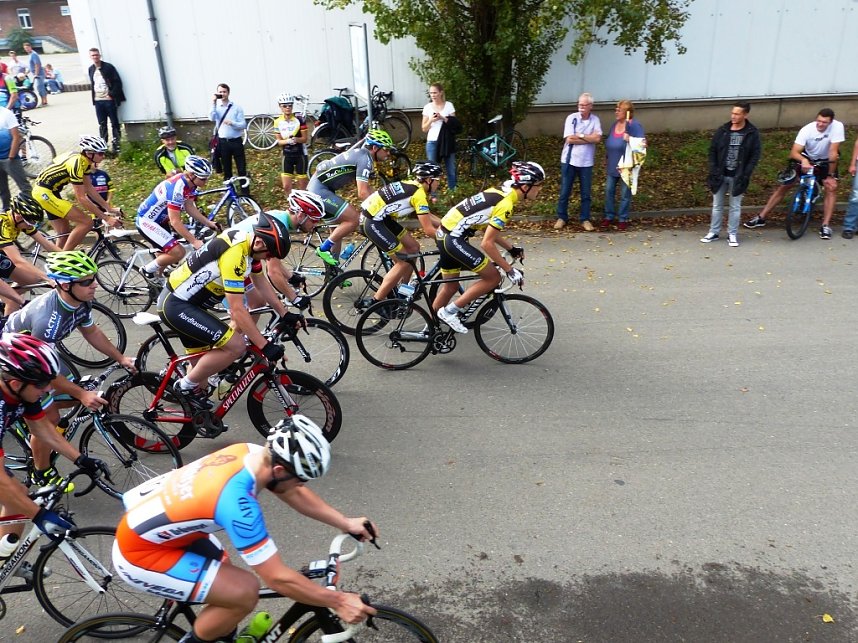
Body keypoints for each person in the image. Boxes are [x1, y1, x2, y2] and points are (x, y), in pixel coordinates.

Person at [112, 415, 376, 643]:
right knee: (243, 592)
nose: (301, 484)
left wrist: (344, 522)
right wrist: (339, 601)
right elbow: (277, 578)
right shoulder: (238, 505)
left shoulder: (250, 452)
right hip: (141, 553)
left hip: (163, 531)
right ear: (281, 469)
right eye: (301, 478)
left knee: (227, 585)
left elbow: (293, 492)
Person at [4, 251, 136, 486]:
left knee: (77, 393)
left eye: (93, 277)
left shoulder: (81, 301)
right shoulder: (48, 320)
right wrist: (81, 394)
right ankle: (41, 471)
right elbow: (44, 373)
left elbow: (92, 332)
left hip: (41, 356)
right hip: (21, 364)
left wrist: (120, 358)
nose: (95, 284)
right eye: (87, 281)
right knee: (50, 417)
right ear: (65, 284)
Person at [0, 333, 109, 579]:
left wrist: (80, 459)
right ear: (16, 383)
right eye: (42, 384)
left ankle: (4, 559)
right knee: (14, 494)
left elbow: (42, 430)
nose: (49, 389)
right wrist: (40, 516)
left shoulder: (20, 390)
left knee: (17, 496)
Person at [159, 211, 293, 411]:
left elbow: (261, 282)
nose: (269, 259)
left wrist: (285, 313)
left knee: (202, 383)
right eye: (270, 254)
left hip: (191, 306)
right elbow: (238, 310)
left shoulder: (249, 245)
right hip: (177, 305)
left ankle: (187, 415)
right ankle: (182, 387)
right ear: (260, 244)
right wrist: (264, 346)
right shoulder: (235, 254)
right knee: (236, 346)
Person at [434, 161, 544, 334]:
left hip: (445, 235)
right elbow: (487, 243)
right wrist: (509, 270)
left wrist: (510, 249)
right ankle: (449, 312)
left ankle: (431, 328)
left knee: (450, 287)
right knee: (492, 277)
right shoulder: (506, 204)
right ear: (525, 186)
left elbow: (486, 225)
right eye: (538, 185)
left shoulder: (500, 191)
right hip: (454, 239)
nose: (540, 189)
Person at [744, 108, 844, 239]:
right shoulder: (807, 130)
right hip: (807, 157)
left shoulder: (837, 127)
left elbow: (833, 152)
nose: (820, 124)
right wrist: (804, 160)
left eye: (824, 122)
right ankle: (761, 217)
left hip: (826, 160)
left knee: (831, 187)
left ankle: (825, 225)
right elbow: (794, 152)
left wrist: (830, 175)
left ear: (830, 123)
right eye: (818, 121)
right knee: (786, 184)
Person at [357, 161, 442, 309]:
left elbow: (424, 214)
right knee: (403, 261)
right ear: (429, 180)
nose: (439, 184)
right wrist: (449, 240)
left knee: (414, 248)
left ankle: (403, 292)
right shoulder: (419, 194)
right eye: (438, 180)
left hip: (382, 219)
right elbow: (428, 230)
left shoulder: (413, 186)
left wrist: (447, 226)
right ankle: (376, 303)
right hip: (372, 222)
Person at [308, 128, 394, 266]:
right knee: (354, 219)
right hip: (320, 190)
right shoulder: (365, 159)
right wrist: (381, 206)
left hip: (321, 187)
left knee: (337, 231)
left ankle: (333, 275)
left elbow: (366, 188)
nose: (388, 153)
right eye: (386, 149)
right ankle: (323, 248)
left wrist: (380, 199)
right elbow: (362, 193)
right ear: (375, 148)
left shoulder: (361, 155)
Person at [32, 135, 122, 250]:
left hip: (50, 192)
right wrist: (106, 218)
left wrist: (108, 208)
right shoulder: (76, 164)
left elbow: (89, 188)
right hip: (44, 194)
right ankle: (64, 259)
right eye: (100, 153)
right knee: (87, 222)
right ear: (89, 153)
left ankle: (54, 262)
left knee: (64, 233)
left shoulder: (85, 162)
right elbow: (81, 198)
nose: (103, 156)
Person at [137, 156, 220, 278]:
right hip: (147, 221)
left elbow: (190, 207)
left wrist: (208, 223)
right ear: (192, 175)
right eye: (203, 178)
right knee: (178, 252)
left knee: (164, 260)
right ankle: (146, 270)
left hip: (161, 221)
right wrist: (194, 241)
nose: (205, 182)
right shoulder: (177, 188)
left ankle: (157, 285)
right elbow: (175, 222)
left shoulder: (191, 184)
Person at [700, 102, 761, 248]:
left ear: (745, 115)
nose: (733, 116)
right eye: (732, 113)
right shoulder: (723, 130)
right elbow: (713, 150)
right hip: (720, 174)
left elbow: (755, 154)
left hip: (738, 175)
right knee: (717, 205)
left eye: (737, 114)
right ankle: (713, 232)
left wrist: (746, 173)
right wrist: (714, 169)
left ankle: (732, 234)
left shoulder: (751, 132)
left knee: (735, 206)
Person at [0, 194, 61, 314]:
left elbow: (47, 245)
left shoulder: (21, 222)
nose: (31, 225)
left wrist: (73, 258)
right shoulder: (3, 224)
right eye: (30, 222)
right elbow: (18, 261)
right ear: (18, 217)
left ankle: (8, 321)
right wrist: (46, 277)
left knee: (31, 280)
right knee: (17, 298)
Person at [555, 92, 602, 231]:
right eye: (579, 104)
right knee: (565, 191)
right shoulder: (572, 118)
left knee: (586, 193)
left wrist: (580, 135)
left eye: (584, 105)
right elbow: (569, 139)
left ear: (590, 106)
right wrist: (588, 137)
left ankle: (585, 219)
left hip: (586, 162)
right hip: (569, 160)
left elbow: (598, 139)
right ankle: (562, 217)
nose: (581, 107)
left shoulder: (595, 120)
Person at [602, 100, 646, 232]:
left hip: (626, 166)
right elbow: (610, 141)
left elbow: (643, 144)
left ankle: (622, 218)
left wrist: (630, 139)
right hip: (612, 164)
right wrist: (607, 157)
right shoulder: (615, 124)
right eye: (616, 109)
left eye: (619, 109)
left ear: (627, 113)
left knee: (624, 194)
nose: (616, 111)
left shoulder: (634, 125)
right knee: (609, 191)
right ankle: (609, 215)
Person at [209, 83, 247, 192]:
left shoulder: (236, 107)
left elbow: (243, 125)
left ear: (228, 93)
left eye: (224, 92)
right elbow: (211, 117)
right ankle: (230, 193)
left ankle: (245, 193)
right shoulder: (216, 107)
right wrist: (213, 102)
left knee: (241, 168)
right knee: (227, 169)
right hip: (223, 142)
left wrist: (232, 123)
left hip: (236, 141)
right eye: (220, 92)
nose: (222, 94)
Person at [88, 48, 125, 154]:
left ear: (100, 55)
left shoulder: (108, 67)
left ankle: (117, 146)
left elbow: (118, 82)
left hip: (109, 100)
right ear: (90, 57)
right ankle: (103, 147)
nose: (95, 57)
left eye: (96, 55)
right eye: (93, 55)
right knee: (102, 124)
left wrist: (111, 94)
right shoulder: (91, 69)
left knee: (114, 123)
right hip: (98, 101)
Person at [421, 83, 457, 192]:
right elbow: (424, 128)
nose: (433, 95)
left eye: (435, 92)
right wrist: (431, 119)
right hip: (432, 141)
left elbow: (454, 124)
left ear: (441, 93)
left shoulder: (449, 106)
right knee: (432, 170)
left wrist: (442, 117)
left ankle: (453, 193)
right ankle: (433, 195)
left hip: (447, 142)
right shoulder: (427, 107)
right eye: (431, 93)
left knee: (451, 169)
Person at [273, 93, 309, 197]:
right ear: (280, 106)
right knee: (286, 186)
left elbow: (305, 139)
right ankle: (292, 205)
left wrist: (296, 139)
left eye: (290, 105)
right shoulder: (277, 122)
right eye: (285, 106)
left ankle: (303, 205)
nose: (288, 108)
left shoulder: (299, 119)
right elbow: (279, 141)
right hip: (287, 154)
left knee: (302, 186)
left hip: (300, 154)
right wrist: (288, 141)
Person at [0, 103, 29, 213]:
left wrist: (11, 156)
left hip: (10, 159)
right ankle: (6, 209)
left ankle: (30, 209)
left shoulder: (6, 114)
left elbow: (16, 137)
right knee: (2, 188)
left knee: (23, 185)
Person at [22, 42, 45, 108]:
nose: (26, 49)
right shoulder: (30, 55)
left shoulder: (34, 54)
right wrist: (26, 73)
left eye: (27, 48)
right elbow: (30, 66)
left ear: (30, 47)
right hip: (35, 73)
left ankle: (44, 101)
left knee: (40, 87)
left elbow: (37, 64)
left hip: (39, 73)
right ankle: (44, 101)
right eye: (25, 48)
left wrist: (36, 74)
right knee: (39, 87)